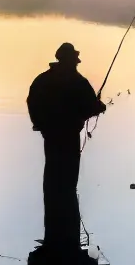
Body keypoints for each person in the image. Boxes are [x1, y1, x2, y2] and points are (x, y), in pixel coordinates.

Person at [27, 42, 107, 247]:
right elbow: (89, 107)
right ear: (71, 61)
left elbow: (31, 102)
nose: (76, 64)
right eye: (75, 61)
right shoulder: (78, 81)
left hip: (50, 135)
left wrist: (39, 124)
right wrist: (99, 107)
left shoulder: (41, 80)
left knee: (52, 174)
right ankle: (67, 236)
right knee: (69, 180)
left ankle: (52, 229)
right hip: (69, 135)